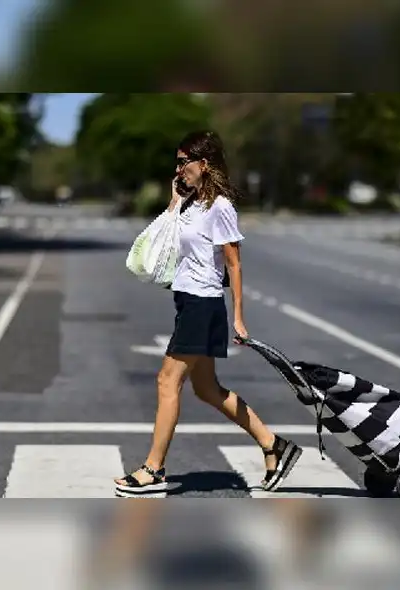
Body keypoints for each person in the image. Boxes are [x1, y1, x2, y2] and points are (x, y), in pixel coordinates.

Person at [114, 130, 303, 498]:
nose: (178, 168)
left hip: (204, 304)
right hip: (187, 301)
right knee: (206, 389)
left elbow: (234, 264)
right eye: (177, 161)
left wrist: (239, 317)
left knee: (167, 382)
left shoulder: (221, 208)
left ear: (205, 163)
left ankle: (154, 469)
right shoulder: (192, 204)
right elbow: (165, 240)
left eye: (184, 161)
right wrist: (173, 202)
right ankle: (273, 445)